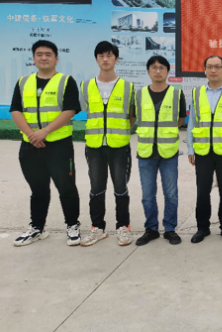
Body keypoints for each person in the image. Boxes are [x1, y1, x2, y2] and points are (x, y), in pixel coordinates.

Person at [11, 40, 82, 247]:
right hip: (30, 146)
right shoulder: (23, 82)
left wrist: (45, 132)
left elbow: (70, 110)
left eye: (48, 54)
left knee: (66, 188)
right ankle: (37, 228)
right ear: (33, 58)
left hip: (59, 146)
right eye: (39, 54)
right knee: (38, 189)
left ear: (56, 58)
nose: (44, 57)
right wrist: (31, 135)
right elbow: (16, 110)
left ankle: (72, 225)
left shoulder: (66, 81)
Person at [79, 41, 135, 247]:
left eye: (109, 55)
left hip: (119, 146)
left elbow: (132, 115)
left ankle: (123, 227)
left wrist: (121, 132)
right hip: (94, 146)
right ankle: (98, 228)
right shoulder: (86, 86)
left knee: (120, 187)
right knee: (96, 188)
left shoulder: (128, 87)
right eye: (101, 55)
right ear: (96, 59)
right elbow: (85, 110)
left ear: (116, 59)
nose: (105, 59)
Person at [187, 55, 222, 244]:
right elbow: (192, 122)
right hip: (203, 151)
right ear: (205, 70)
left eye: (217, 67)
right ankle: (202, 228)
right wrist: (190, 148)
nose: (213, 70)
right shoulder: (197, 93)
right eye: (210, 66)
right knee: (202, 192)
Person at [134, 55, 186, 246]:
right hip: (146, 152)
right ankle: (151, 229)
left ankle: (170, 229)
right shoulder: (139, 94)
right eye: (154, 68)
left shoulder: (176, 94)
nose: (158, 71)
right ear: (148, 71)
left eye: (162, 67)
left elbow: (181, 119)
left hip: (168, 152)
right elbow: (134, 117)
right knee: (147, 195)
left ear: (167, 71)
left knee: (171, 194)